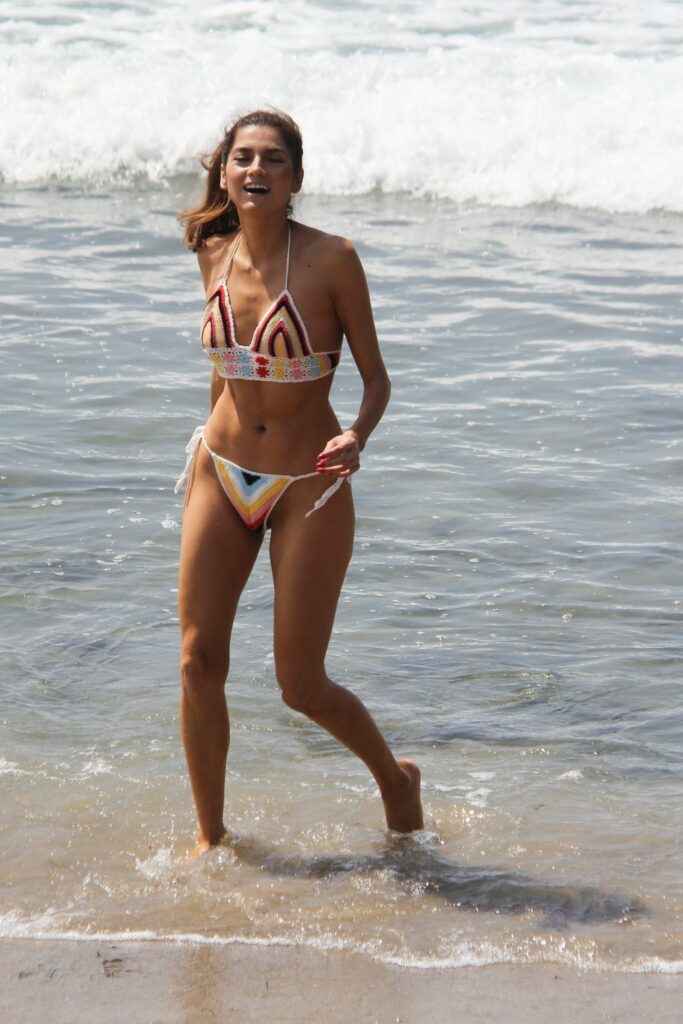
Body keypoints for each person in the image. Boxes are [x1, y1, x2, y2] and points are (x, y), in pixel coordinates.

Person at [176, 109, 423, 855]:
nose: (256, 169)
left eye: (273, 159)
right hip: (221, 473)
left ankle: (394, 779)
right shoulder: (210, 252)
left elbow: (376, 380)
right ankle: (211, 838)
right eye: (243, 158)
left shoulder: (332, 260)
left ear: (296, 179)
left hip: (307, 484)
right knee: (197, 661)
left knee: (300, 683)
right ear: (225, 173)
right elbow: (223, 374)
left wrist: (357, 436)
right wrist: (205, 449)